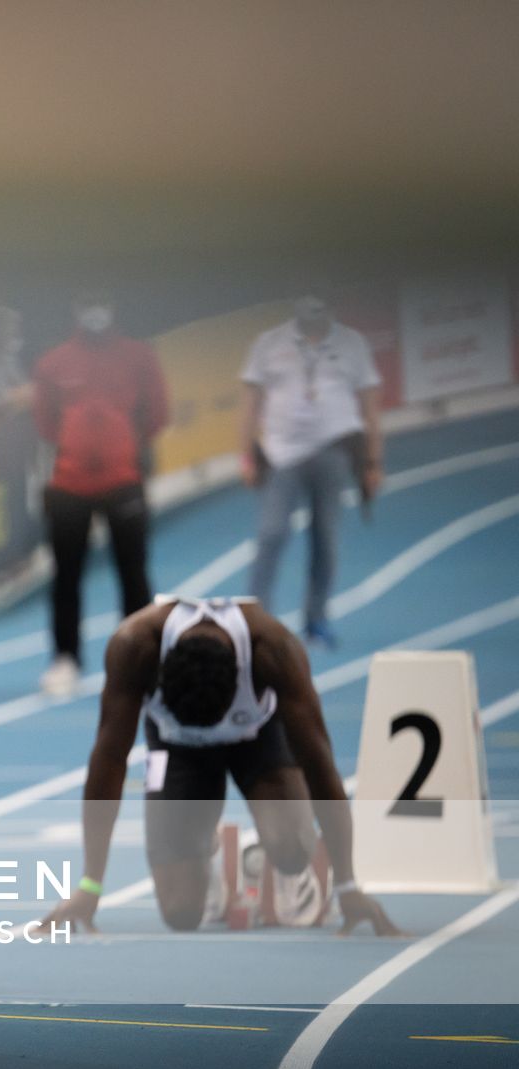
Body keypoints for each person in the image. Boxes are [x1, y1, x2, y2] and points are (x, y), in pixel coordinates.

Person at [42, 595, 399, 937]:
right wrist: (90, 885)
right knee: (180, 912)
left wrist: (348, 885)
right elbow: (109, 760)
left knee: (291, 849)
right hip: (177, 746)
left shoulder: (274, 649)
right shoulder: (134, 646)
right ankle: (206, 847)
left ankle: (278, 858)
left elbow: (319, 763)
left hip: (256, 738)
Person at [31, 290, 169, 696]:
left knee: (133, 573)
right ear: (75, 310)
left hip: (123, 479)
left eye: (101, 302)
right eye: (86, 303)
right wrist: (79, 444)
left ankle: (140, 660)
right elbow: (45, 423)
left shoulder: (139, 357)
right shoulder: (53, 362)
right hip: (68, 483)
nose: (95, 311)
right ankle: (66, 658)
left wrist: (122, 442)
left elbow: (157, 413)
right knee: (66, 576)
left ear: (113, 307)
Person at [240, 292, 384, 648]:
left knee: (326, 539)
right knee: (271, 534)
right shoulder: (268, 343)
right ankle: (255, 622)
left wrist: (372, 462)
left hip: (333, 452)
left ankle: (316, 620)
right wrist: (246, 456)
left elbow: (370, 408)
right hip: (281, 455)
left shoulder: (353, 344)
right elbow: (249, 403)